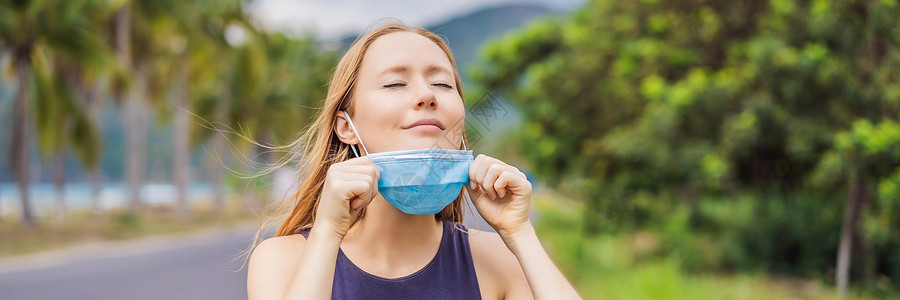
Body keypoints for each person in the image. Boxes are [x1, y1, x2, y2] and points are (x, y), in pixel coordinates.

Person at [247, 23, 581, 300]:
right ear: (347, 127)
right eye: (395, 83)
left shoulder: (497, 260)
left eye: (442, 83)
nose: (428, 95)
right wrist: (327, 232)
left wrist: (520, 233)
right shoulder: (282, 261)